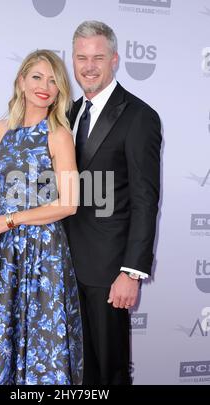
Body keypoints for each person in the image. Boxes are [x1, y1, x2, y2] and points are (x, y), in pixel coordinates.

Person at [0, 49, 83, 385]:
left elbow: (69, 203)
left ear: (60, 91)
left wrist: (13, 219)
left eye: (54, 80)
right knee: (3, 337)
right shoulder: (1, 129)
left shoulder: (58, 135)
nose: (45, 86)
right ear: (21, 82)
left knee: (42, 341)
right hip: (5, 254)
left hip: (43, 254)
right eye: (38, 77)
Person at [63, 21, 162, 385]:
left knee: (110, 371)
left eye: (98, 58)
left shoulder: (139, 116)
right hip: (63, 267)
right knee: (78, 369)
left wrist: (130, 272)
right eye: (81, 58)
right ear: (72, 60)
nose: (89, 66)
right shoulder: (66, 114)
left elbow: (145, 199)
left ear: (115, 60)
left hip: (109, 272)